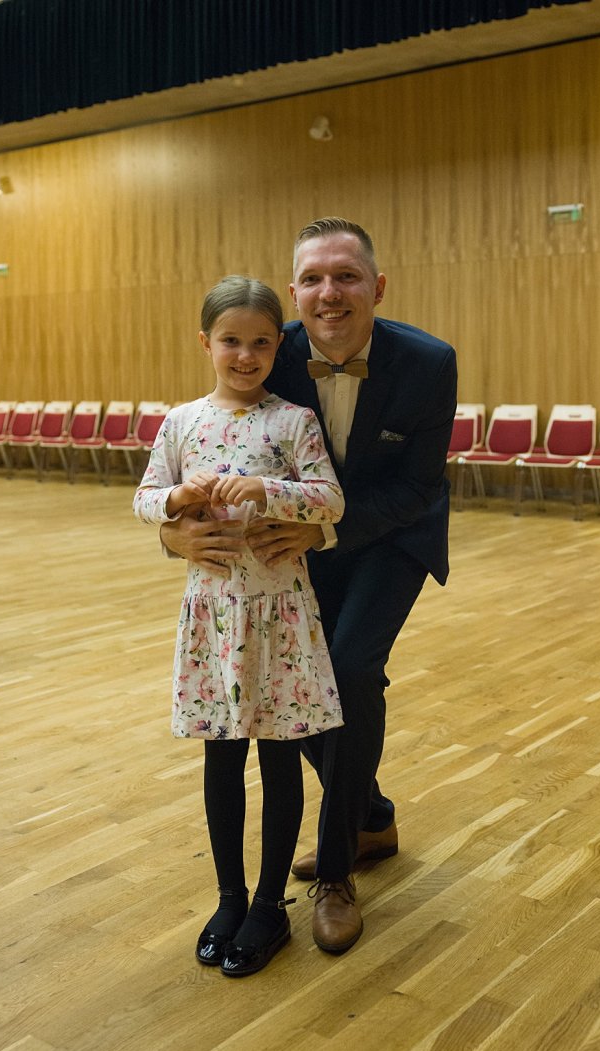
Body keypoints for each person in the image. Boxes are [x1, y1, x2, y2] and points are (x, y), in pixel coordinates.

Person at [161, 218, 457, 954]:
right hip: (290, 546)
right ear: (294, 294)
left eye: (347, 276)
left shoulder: (428, 362)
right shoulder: (268, 348)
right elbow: (198, 459)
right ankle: (370, 815)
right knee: (290, 684)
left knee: (349, 670)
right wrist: (173, 536)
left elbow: (419, 486)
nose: (331, 293)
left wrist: (324, 533)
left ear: (376, 287)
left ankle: (336, 873)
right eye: (314, 279)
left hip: (389, 536)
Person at [134, 275, 345, 977]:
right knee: (221, 758)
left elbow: (330, 500)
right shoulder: (181, 422)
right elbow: (143, 498)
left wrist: (267, 489)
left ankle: (268, 903)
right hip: (214, 617)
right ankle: (229, 897)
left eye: (260, 343)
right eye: (231, 341)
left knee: (280, 759)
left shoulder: (294, 422)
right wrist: (176, 501)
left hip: (281, 615)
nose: (246, 356)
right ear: (206, 343)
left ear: (277, 347)